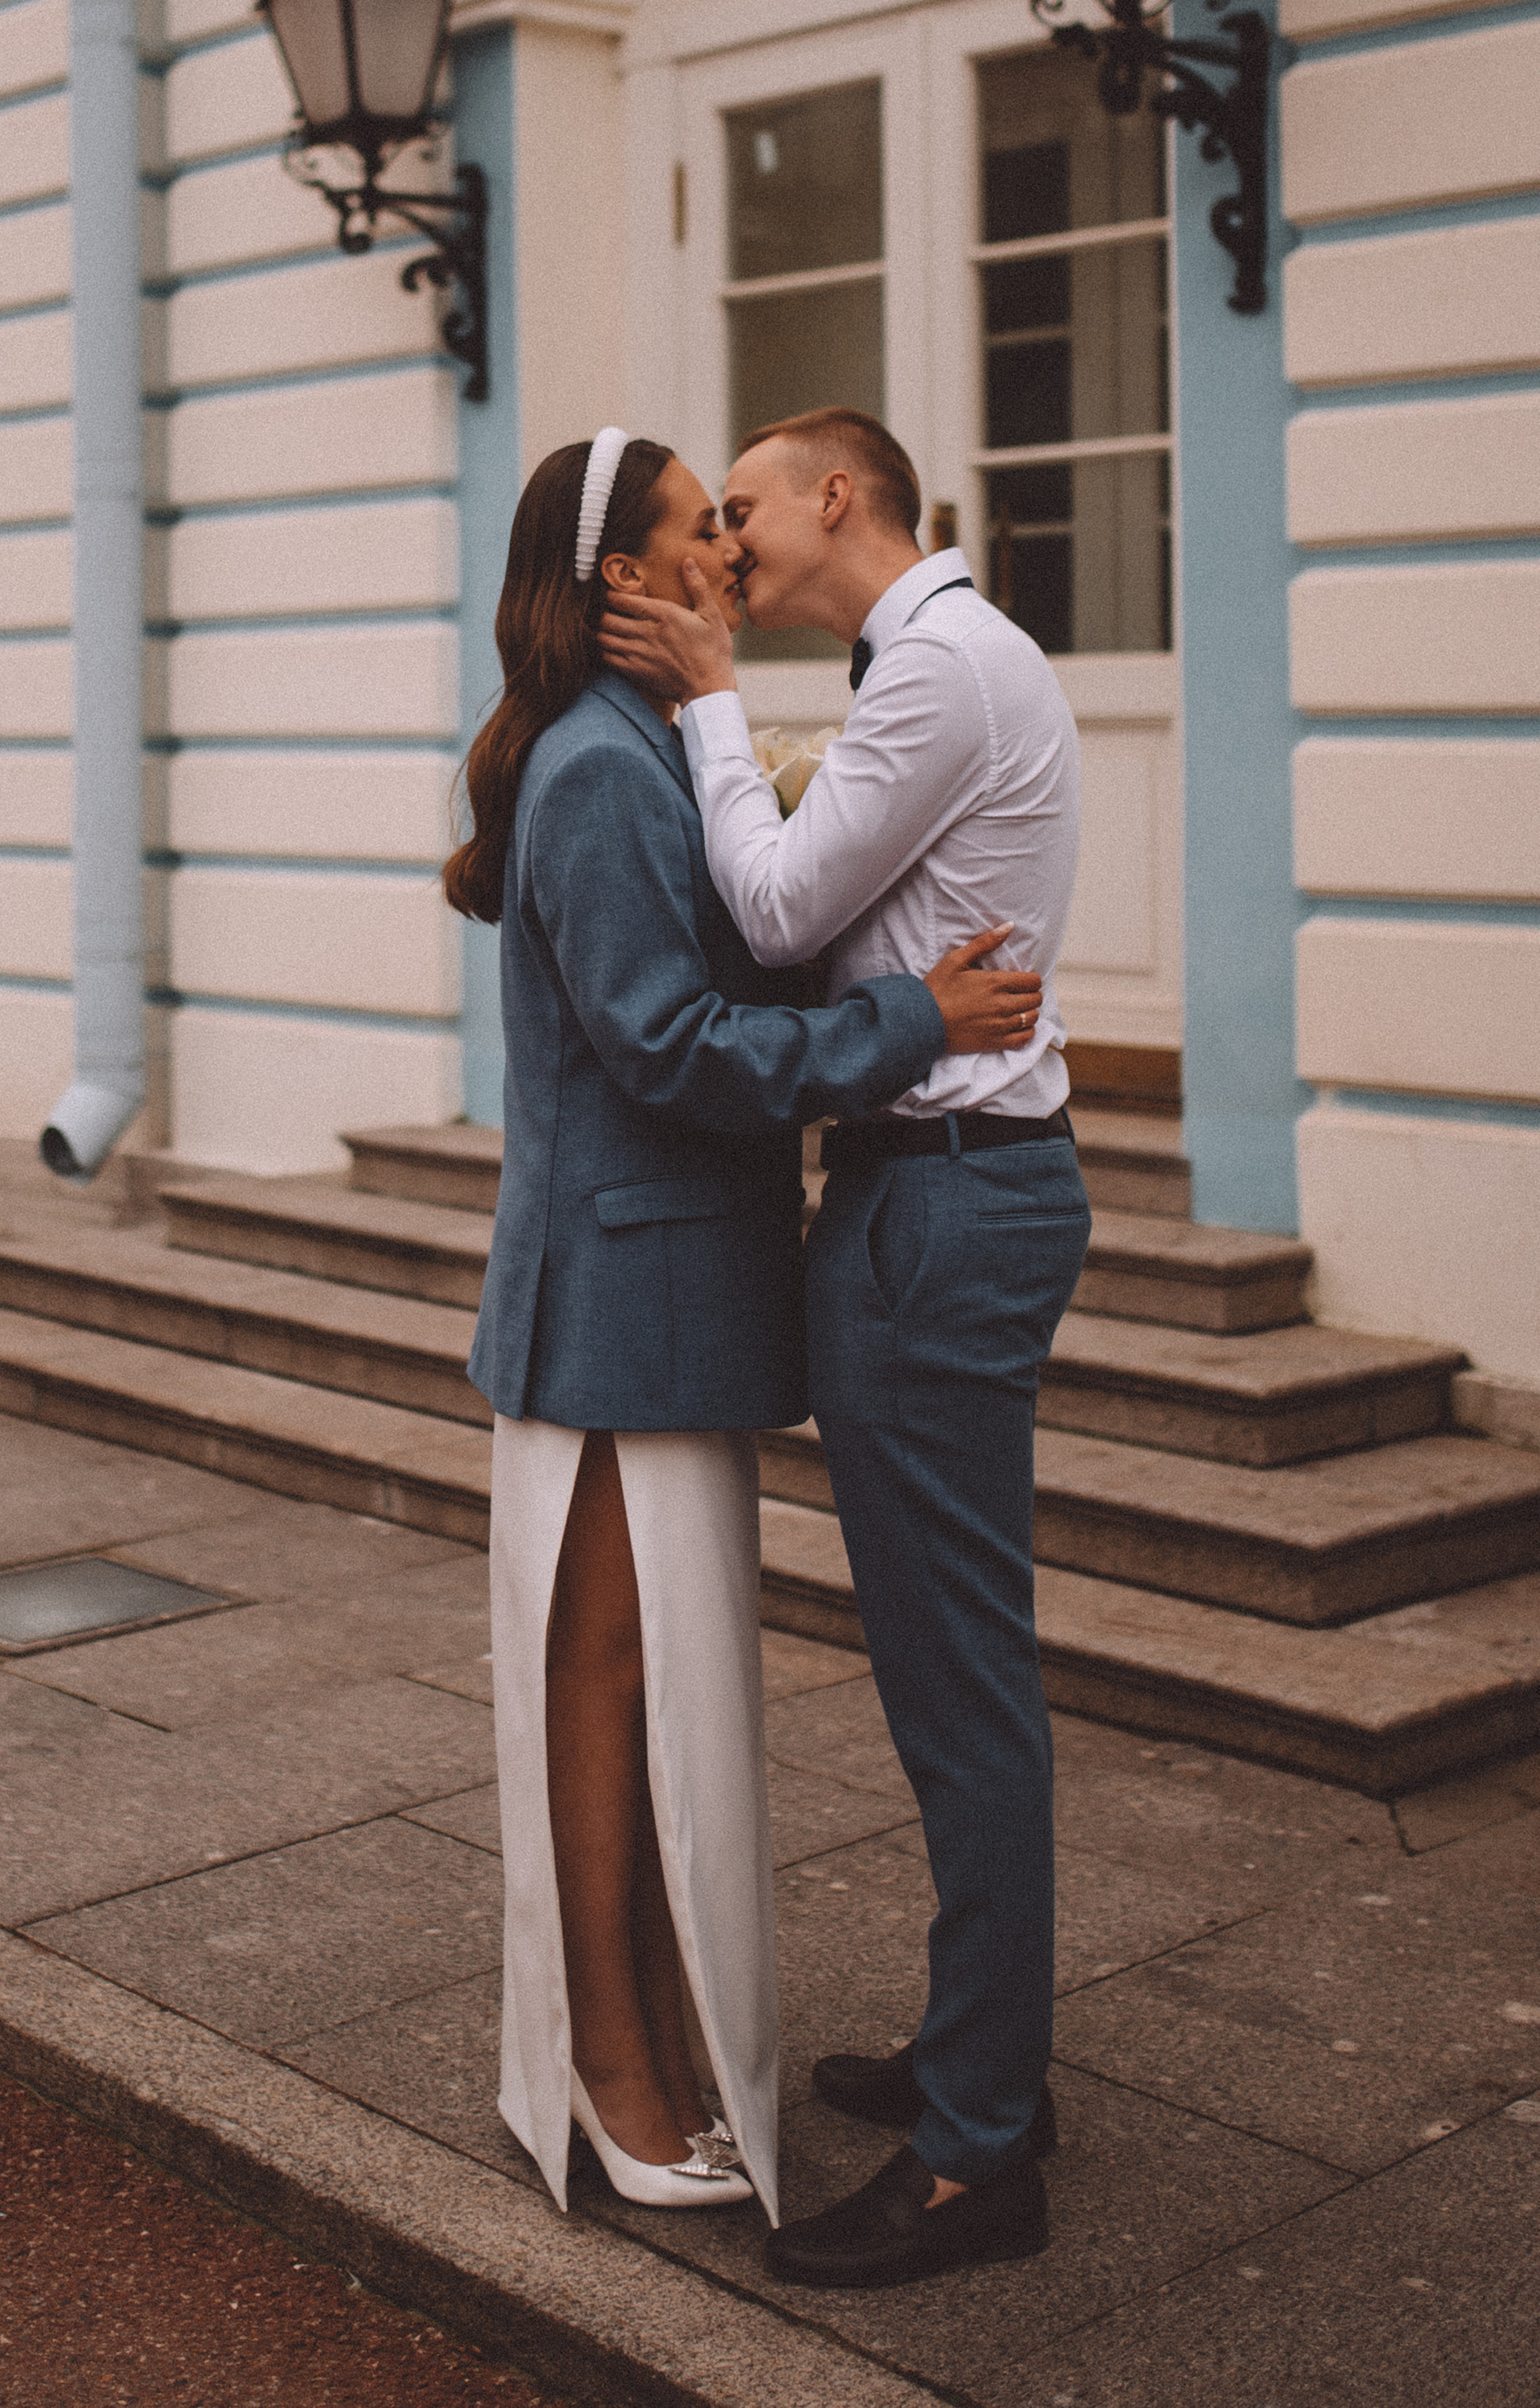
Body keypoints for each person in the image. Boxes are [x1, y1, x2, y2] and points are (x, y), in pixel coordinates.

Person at [445, 424, 1046, 2227]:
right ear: (621, 581)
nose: (726, 551)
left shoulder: (636, 751)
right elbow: (669, 1048)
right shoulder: (598, 771)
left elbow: (729, 963)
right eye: (695, 530)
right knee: (607, 1688)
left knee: (653, 1700)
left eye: (731, 519)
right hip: (615, 1308)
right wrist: (909, 1026)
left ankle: (646, 2045)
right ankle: (609, 2078)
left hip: (669, 1297)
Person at [600, 404, 1090, 2291]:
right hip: (935, 1185)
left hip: (944, 1199)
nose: (718, 546)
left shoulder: (944, 665)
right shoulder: (934, 667)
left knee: (957, 1688)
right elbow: (839, 932)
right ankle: (990, 2066)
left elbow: (784, 902)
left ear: (834, 500)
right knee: (945, 1672)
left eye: (737, 510)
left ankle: (978, 2161)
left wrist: (713, 701)